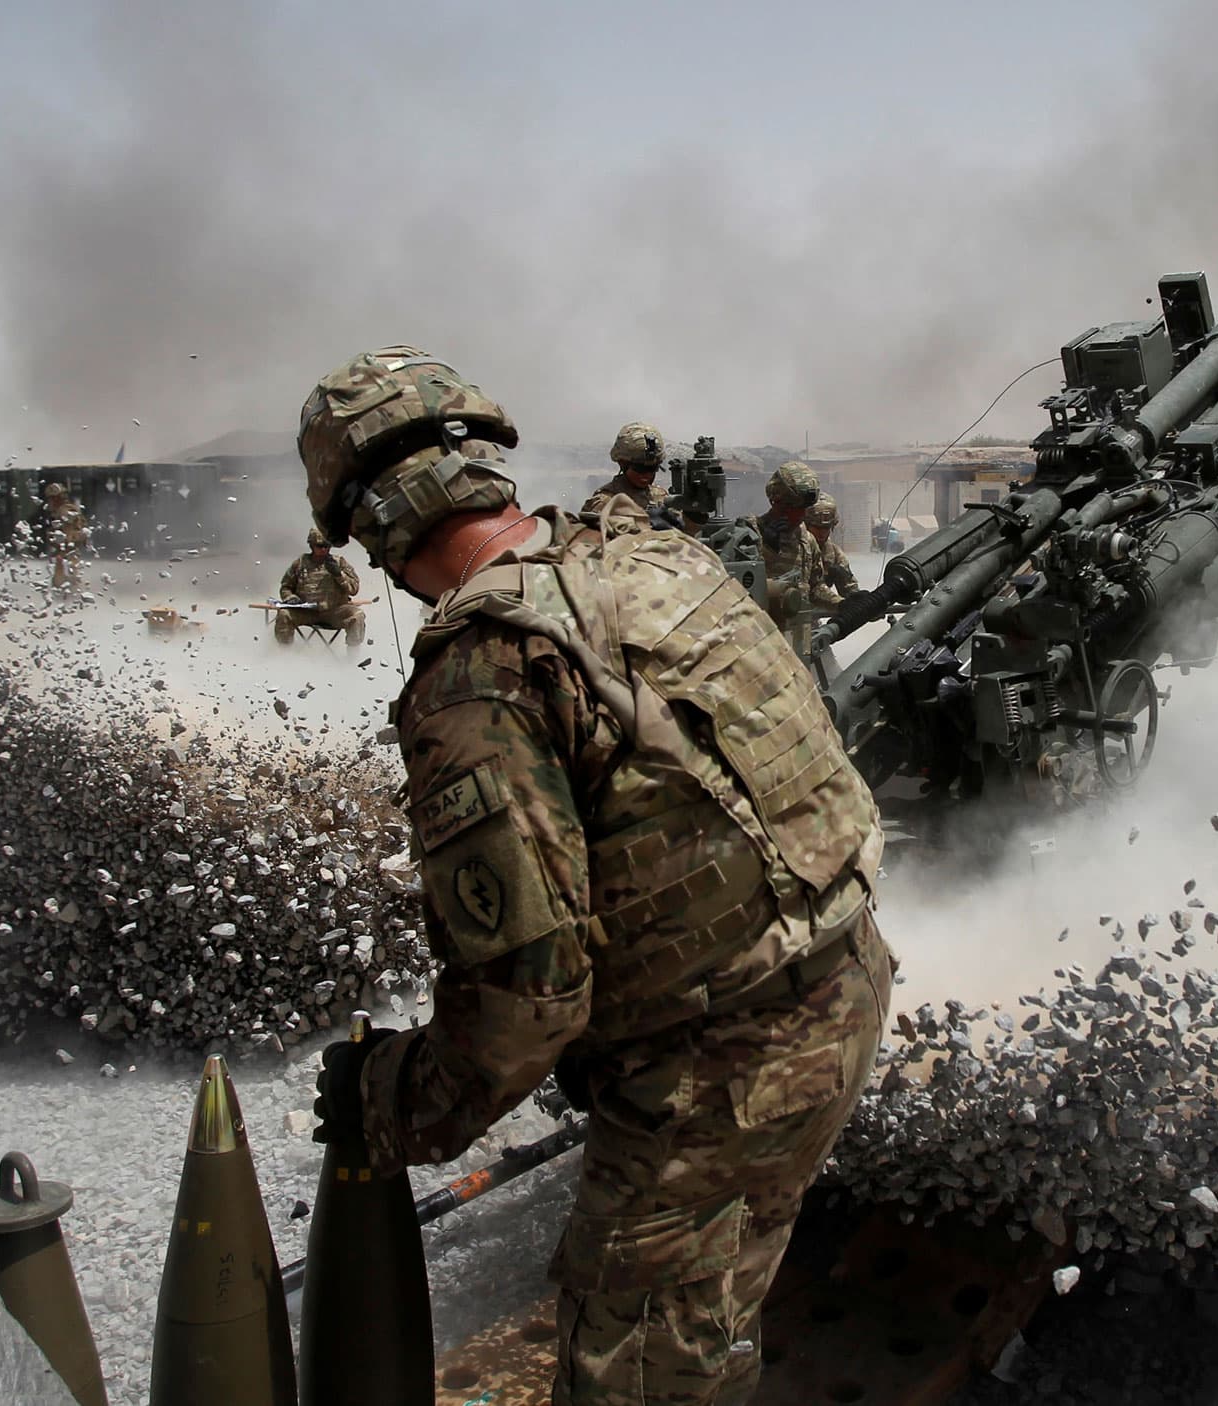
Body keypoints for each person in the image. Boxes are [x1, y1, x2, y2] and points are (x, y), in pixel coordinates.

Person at [296, 345, 890, 1406]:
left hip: (721, 1075)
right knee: (719, 1296)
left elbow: (525, 1003)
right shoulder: (659, 557)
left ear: (372, 519)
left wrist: (395, 1100)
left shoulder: (481, 670)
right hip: (841, 985)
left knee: (641, 1366)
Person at [753, 462, 824, 650]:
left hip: (799, 642)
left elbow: (815, 589)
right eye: (795, 507)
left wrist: (845, 603)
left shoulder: (807, 541)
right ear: (777, 502)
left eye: (805, 508)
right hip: (761, 641)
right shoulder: (750, 534)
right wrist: (768, 547)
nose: (801, 514)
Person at [274, 528, 367, 648]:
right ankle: (284, 654)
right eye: (320, 546)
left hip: (334, 612)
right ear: (312, 545)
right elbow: (286, 587)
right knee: (284, 614)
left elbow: (354, 589)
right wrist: (291, 597)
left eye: (327, 546)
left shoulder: (339, 563)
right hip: (306, 612)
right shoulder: (300, 563)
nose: (324, 549)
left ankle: (353, 659)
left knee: (357, 615)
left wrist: (339, 575)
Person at [582, 420, 666, 533]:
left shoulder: (661, 497)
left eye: (652, 469)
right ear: (622, 463)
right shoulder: (606, 502)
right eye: (639, 469)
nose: (645, 475)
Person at [802, 494, 857, 608]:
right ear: (806, 525)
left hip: (813, 618)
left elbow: (850, 589)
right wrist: (840, 603)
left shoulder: (834, 553)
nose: (822, 533)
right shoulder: (796, 548)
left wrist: (864, 603)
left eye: (826, 528)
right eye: (817, 527)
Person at [40, 481, 89, 589]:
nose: (50, 502)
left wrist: (63, 549)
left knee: (63, 582)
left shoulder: (65, 511)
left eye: (51, 499)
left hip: (66, 553)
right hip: (68, 552)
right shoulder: (66, 509)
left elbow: (71, 533)